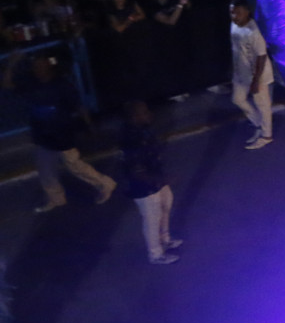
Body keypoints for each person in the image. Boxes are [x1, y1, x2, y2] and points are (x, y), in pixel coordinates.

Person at [3, 52, 116, 212]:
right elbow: (7, 84)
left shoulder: (61, 85)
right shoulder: (31, 83)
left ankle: (105, 184)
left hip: (61, 133)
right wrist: (12, 64)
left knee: (75, 166)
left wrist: (89, 125)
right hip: (42, 134)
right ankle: (56, 199)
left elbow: (78, 105)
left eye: (41, 66)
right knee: (45, 169)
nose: (38, 70)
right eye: (36, 67)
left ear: (49, 67)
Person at [122, 101, 181, 265]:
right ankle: (155, 254)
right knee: (152, 219)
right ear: (134, 117)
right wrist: (162, 180)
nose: (149, 114)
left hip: (156, 178)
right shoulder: (131, 139)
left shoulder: (143, 129)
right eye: (144, 112)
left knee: (165, 207)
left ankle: (165, 239)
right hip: (144, 186)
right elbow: (136, 171)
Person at [230, 0, 274, 150]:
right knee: (238, 99)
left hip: (257, 74)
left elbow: (261, 56)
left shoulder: (254, 31)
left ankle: (266, 136)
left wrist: (256, 80)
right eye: (233, 13)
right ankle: (258, 124)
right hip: (240, 73)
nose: (235, 16)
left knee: (263, 105)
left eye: (239, 13)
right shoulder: (234, 25)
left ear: (247, 12)